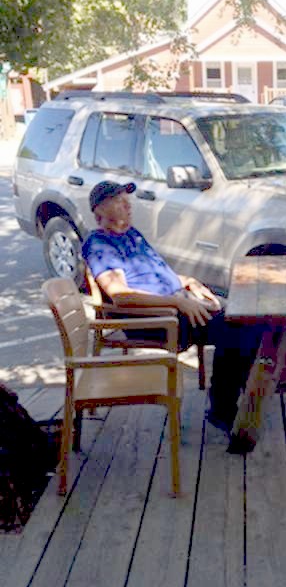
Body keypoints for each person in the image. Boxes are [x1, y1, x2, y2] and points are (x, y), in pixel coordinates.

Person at [82, 180, 262, 452]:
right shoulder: (100, 244)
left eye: (126, 199)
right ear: (99, 211)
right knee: (237, 327)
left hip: (176, 304)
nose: (128, 204)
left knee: (246, 311)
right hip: (155, 320)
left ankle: (248, 385)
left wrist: (188, 282)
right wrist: (179, 302)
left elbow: (156, 275)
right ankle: (224, 407)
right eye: (119, 200)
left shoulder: (131, 234)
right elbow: (120, 295)